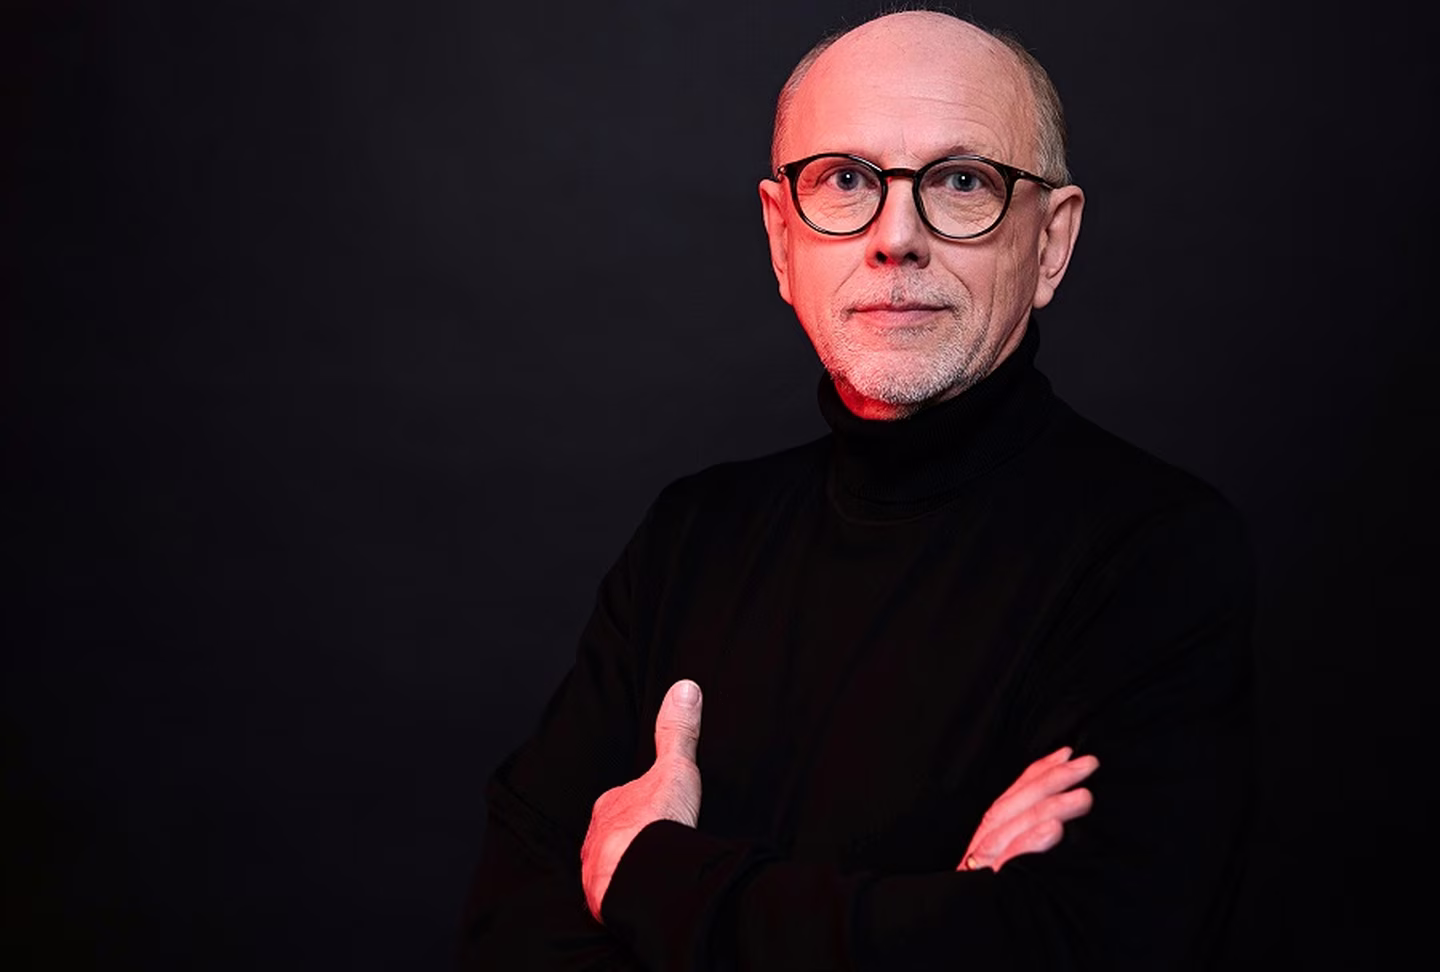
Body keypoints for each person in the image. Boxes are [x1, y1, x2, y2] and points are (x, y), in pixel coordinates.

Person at [461, 10, 1254, 970]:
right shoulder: (690, 540)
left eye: (963, 181)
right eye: (845, 180)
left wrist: (656, 880)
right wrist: (938, 916)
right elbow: (507, 932)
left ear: (1051, 243)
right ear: (781, 239)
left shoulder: (1158, 557)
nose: (896, 237)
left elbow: (1077, 948)